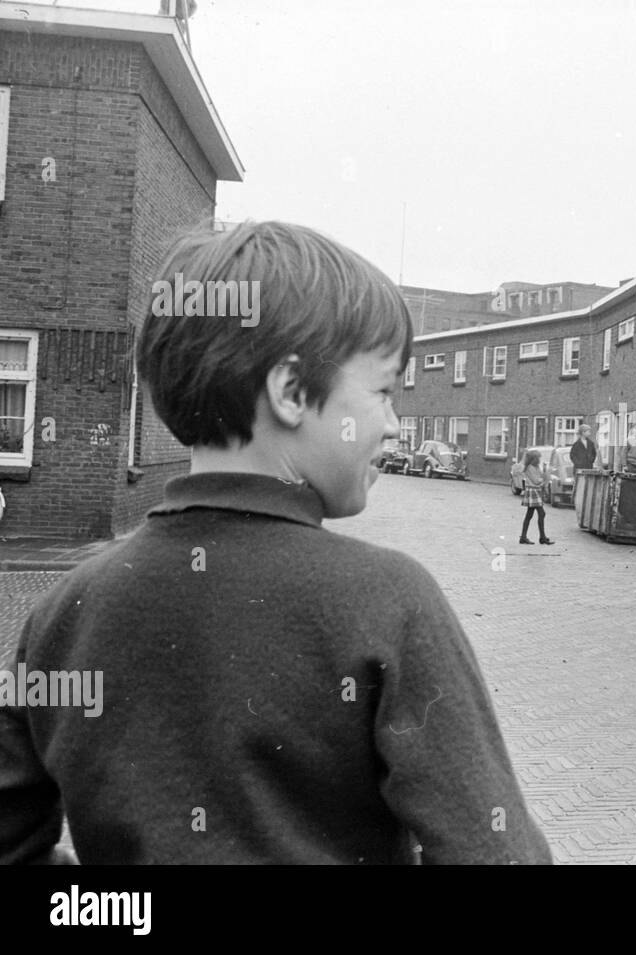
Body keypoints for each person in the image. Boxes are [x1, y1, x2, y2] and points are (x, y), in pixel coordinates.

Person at [0, 221, 552, 865]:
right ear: (291, 391)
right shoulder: (390, 601)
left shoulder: (62, 612)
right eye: (383, 393)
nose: (396, 427)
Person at [519, 448, 554, 545]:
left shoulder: (536, 467)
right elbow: (536, 481)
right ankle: (541, 538)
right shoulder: (530, 467)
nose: (539, 460)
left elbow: (542, 477)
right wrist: (544, 477)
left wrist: (546, 472)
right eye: (538, 458)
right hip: (532, 491)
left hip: (536, 491)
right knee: (541, 513)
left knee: (530, 515)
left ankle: (524, 537)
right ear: (533, 459)